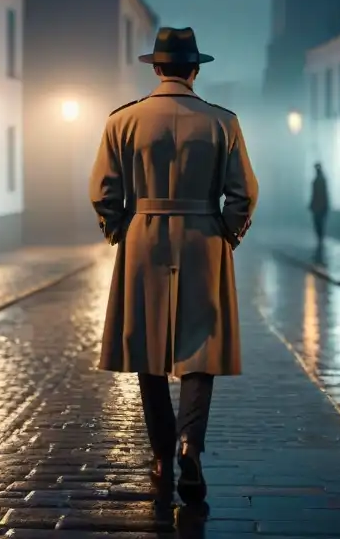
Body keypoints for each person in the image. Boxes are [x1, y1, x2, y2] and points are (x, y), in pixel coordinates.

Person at [89, 26, 259, 505]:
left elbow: (103, 192)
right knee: (200, 347)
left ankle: (163, 455)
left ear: (157, 67)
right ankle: (190, 446)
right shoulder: (223, 122)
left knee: (148, 347)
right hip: (204, 238)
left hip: (143, 236)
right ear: (195, 69)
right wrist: (226, 232)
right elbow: (244, 193)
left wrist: (122, 228)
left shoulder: (122, 121)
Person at [310, 162, 329, 253]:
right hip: (320, 206)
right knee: (319, 223)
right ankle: (320, 239)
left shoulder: (317, 181)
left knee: (318, 223)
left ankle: (320, 239)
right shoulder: (321, 180)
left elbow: (318, 195)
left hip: (319, 207)